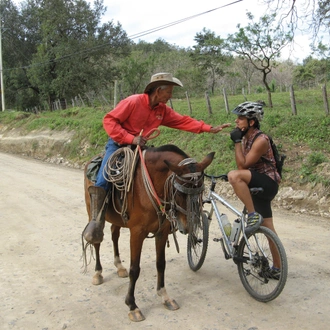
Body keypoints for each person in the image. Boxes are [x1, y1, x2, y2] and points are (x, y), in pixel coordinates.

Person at [83, 72, 231, 244]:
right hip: (119, 144)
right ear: (157, 91)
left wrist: (208, 128)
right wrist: (130, 138)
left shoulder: (162, 110)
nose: (170, 95)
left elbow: (182, 121)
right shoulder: (133, 101)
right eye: (168, 92)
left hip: (141, 147)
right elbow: (109, 120)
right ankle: (96, 221)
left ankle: (160, 215)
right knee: (103, 178)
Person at [228, 101, 281, 280]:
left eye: (241, 118)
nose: (236, 122)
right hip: (258, 183)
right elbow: (244, 165)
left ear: (252, 122)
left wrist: (236, 142)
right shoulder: (247, 138)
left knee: (235, 176)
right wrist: (240, 140)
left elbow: (242, 165)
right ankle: (278, 268)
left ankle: (252, 215)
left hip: (268, 183)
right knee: (269, 229)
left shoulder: (260, 140)